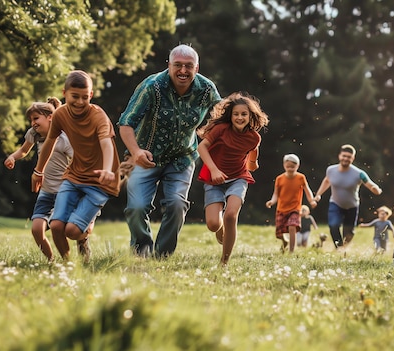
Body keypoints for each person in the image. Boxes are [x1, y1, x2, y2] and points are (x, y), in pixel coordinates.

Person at [118, 44, 221, 258]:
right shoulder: (152, 86)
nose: (183, 70)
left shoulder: (207, 89)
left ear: (197, 68)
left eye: (188, 66)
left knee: (176, 204)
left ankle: (162, 256)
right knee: (136, 207)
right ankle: (141, 250)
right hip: (145, 155)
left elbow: (224, 120)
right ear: (169, 65)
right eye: (178, 65)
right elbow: (126, 123)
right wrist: (136, 152)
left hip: (182, 158)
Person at [31, 70, 121, 262]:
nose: (80, 102)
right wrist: (38, 171)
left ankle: (83, 238)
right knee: (56, 225)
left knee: (72, 231)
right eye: (74, 97)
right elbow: (49, 142)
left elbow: (106, 143)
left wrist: (106, 169)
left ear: (91, 95)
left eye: (84, 97)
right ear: (65, 93)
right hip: (73, 177)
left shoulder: (98, 116)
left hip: (99, 182)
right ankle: (68, 265)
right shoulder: (61, 115)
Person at [197, 92, 269, 265]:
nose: (239, 117)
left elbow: (253, 148)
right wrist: (213, 170)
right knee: (213, 224)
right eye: (236, 114)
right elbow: (201, 148)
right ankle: (220, 228)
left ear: (250, 116)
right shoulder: (221, 130)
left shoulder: (254, 137)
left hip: (238, 178)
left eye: (244, 114)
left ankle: (224, 262)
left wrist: (253, 162)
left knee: (230, 215)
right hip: (215, 180)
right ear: (230, 115)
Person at [5, 97, 78, 262]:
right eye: (31, 120)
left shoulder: (63, 139)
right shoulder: (33, 134)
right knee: (37, 229)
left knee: (59, 228)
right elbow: (24, 150)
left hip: (64, 191)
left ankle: (68, 261)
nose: (33, 123)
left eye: (36, 118)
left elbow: (76, 160)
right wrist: (12, 157)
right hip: (46, 191)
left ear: (50, 117)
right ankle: (51, 260)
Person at [314, 144, 382, 248]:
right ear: (339, 156)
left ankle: (344, 247)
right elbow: (327, 180)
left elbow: (369, 183)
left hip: (352, 206)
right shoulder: (331, 170)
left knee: (349, 233)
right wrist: (318, 194)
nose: (346, 158)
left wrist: (375, 189)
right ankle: (339, 248)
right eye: (344, 156)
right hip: (335, 203)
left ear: (353, 158)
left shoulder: (359, 173)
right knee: (333, 225)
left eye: (349, 157)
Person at [266, 154, 317, 253]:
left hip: (295, 209)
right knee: (279, 234)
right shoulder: (279, 179)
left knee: (292, 226)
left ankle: (291, 251)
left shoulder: (301, 177)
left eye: (293, 167)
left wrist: (311, 200)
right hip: (281, 209)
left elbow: (307, 190)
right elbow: (276, 193)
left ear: (297, 166)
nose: (290, 168)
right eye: (288, 166)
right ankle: (285, 241)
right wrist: (272, 201)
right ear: (284, 165)